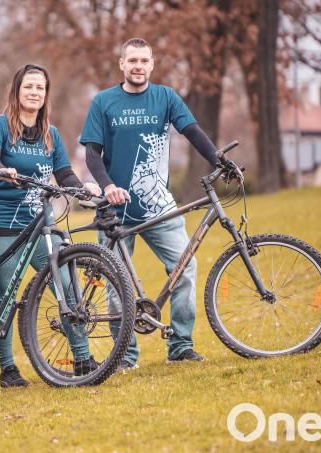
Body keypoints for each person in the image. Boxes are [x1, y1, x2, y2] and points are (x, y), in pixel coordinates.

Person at [80, 38, 220, 369]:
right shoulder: (103, 102)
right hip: (114, 211)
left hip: (159, 207)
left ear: (152, 65)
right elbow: (91, 153)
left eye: (144, 60)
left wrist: (218, 161)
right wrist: (108, 186)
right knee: (118, 287)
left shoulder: (165, 97)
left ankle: (181, 345)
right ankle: (124, 356)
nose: (138, 66)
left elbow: (192, 131)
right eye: (132, 61)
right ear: (122, 64)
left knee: (185, 268)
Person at [0, 64, 102, 387]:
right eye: (28, 87)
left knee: (66, 282)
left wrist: (82, 187)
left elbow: (63, 173)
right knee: (4, 296)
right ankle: (8, 369)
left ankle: (81, 358)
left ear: (46, 94)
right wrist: (1, 169)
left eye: (40, 88)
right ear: (17, 91)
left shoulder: (51, 133)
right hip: (1, 224)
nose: (34, 93)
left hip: (40, 225)